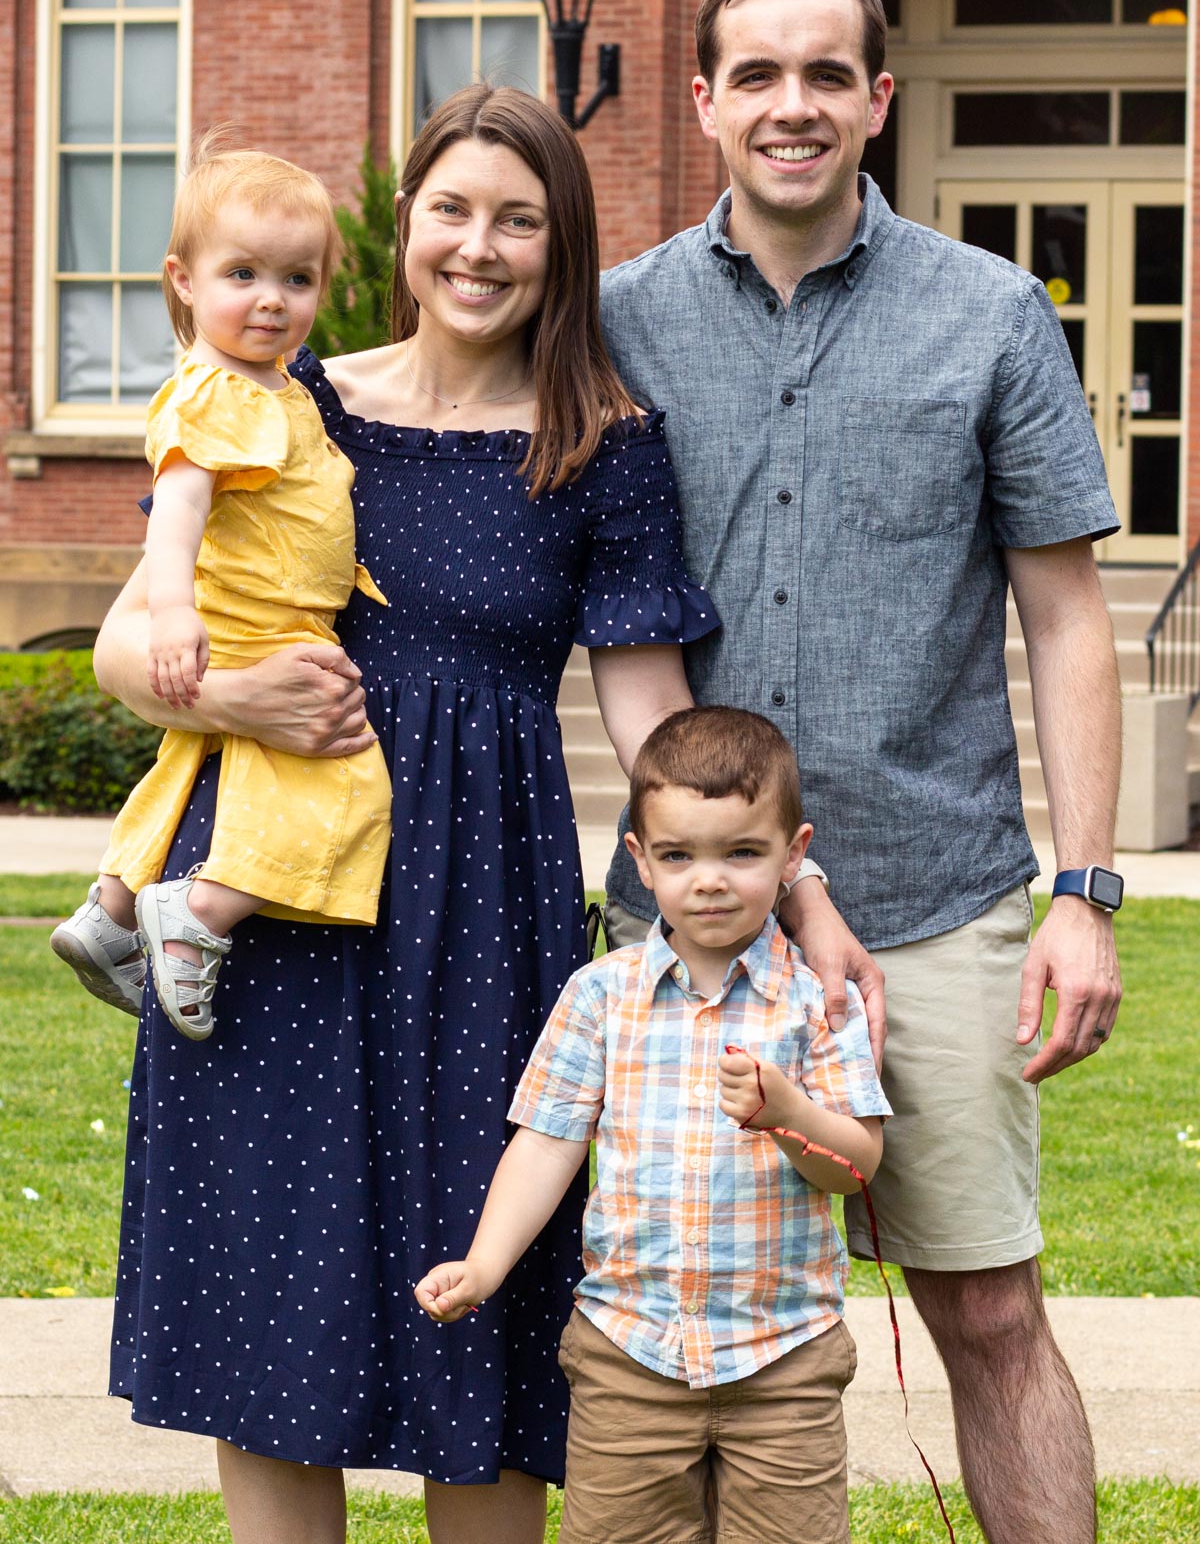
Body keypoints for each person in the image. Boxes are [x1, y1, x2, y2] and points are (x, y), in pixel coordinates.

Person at [92, 85, 721, 1544]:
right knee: (270, 1295)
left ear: (563, 246)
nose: (481, 247)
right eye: (454, 210)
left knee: (485, 1292)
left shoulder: (605, 441)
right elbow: (137, 643)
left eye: (520, 219)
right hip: (268, 895)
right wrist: (235, 701)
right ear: (406, 226)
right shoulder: (295, 403)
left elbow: (647, 708)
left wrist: (768, 877)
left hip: (486, 914)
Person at [598, 0, 1123, 1544]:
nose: (793, 105)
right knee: (669, 1341)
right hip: (693, 929)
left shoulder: (989, 314)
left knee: (988, 1310)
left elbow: (1070, 617)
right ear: (702, 101)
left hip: (939, 894)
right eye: (757, 74)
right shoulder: (616, 321)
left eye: (828, 73)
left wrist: (1086, 888)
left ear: (879, 99)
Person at [416, 706, 889, 1544]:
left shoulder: (818, 1001)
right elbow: (547, 1142)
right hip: (628, 1355)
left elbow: (856, 1166)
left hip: (783, 1356)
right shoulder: (601, 995)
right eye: (678, 856)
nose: (709, 880)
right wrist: (485, 1265)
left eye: (742, 852)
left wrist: (790, 1115)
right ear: (640, 858)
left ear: (794, 852)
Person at [51, 147, 392, 1040]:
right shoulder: (214, 393)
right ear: (184, 281)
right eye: (242, 273)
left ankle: (111, 911)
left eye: (298, 277)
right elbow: (177, 511)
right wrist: (172, 612)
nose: (273, 298)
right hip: (256, 623)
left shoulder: (272, 387)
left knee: (185, 762)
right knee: (342, 785)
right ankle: (198, 916)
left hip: (256, 618)